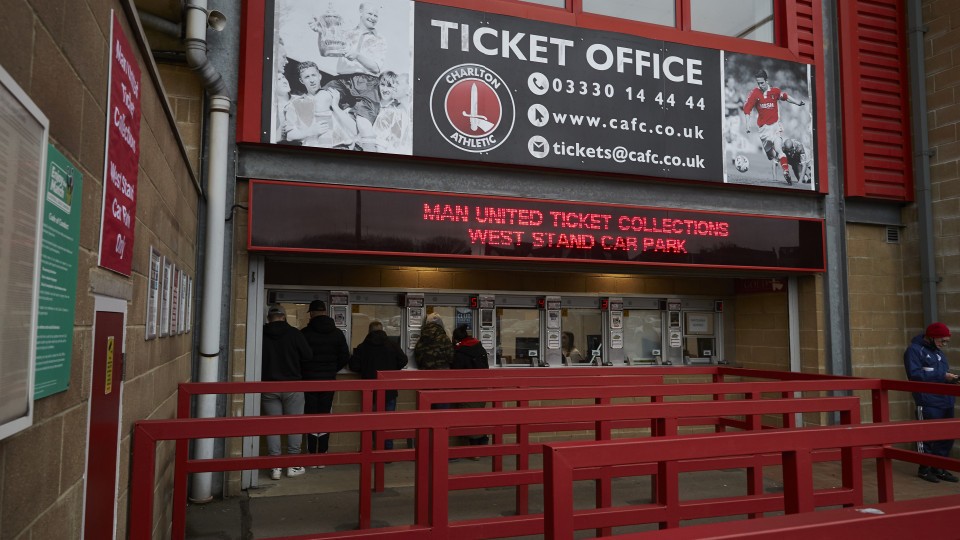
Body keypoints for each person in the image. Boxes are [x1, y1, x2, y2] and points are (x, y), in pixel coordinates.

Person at [903, 322, 960, 483]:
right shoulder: (914, 351)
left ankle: (939, 467)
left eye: (946, 341)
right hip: (928, 400)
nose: (944, 344)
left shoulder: (940, 354)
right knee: (926, 435)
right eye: (942, 340)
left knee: (947, 435)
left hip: (946, 400)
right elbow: (914, 375)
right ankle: (925, 468)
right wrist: (942, 376)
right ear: (932, 337)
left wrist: (951, 379)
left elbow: (942, 374)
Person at [261, 304, 312, 480]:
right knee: (294, 425)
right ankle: (293, 464)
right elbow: (308, 356)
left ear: (269, 318)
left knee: (272, 427)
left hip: (268, 386)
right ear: (284, 316)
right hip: (293, 385)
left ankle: (275, 467)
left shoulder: (260, 333)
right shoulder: (295, 334)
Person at [301, 300, 350, 458]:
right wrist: (331, 369)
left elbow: (299, 356)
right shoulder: (337, 333)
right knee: (325, 415)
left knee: (310, 415)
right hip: (328, 380)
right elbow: (344, 356)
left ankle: (311, 452)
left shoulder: (305, 333)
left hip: (309, 380)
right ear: (325, 312)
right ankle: (322, 453)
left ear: (312, 313)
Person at [349, 320, 408, 449]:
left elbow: (354, 366)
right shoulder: (392, 345)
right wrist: (392, 370)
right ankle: (386, 451)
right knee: (387, 422)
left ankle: (368, 451)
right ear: (383, 330)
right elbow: (404, 360)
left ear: (369, 332)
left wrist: (365, 369)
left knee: (369, 422)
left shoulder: (362, 347)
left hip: (369, 391)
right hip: (389, 390)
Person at [741, 69, 806, 185]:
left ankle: (786, 171)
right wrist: (747, 125)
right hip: (763, 130)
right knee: (771, 156)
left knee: (779, 149)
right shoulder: (755, 93)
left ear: (766, 81)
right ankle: (781, 161)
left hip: (775, 126)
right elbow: (747, 109)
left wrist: (797, 102)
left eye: (762, 82)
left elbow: (785, 97)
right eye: (758, 83)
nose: (760, 85)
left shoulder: (775, 91)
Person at [452, 324, 490, 453]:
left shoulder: (460, 352)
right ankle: (483, 443)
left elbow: (455, 371)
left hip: (467, 389)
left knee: (470, 418)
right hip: (482, 388)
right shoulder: (480, 348)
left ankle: (475, 450)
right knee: (479, 416)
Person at [281, 61, 334, 147]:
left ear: (319, 76)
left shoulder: (333, 96)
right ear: (302, 80)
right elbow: (290, 136)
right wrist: (311, 131)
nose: (312, 80)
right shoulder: (295, 104)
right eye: (307, 77)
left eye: (314, 75)